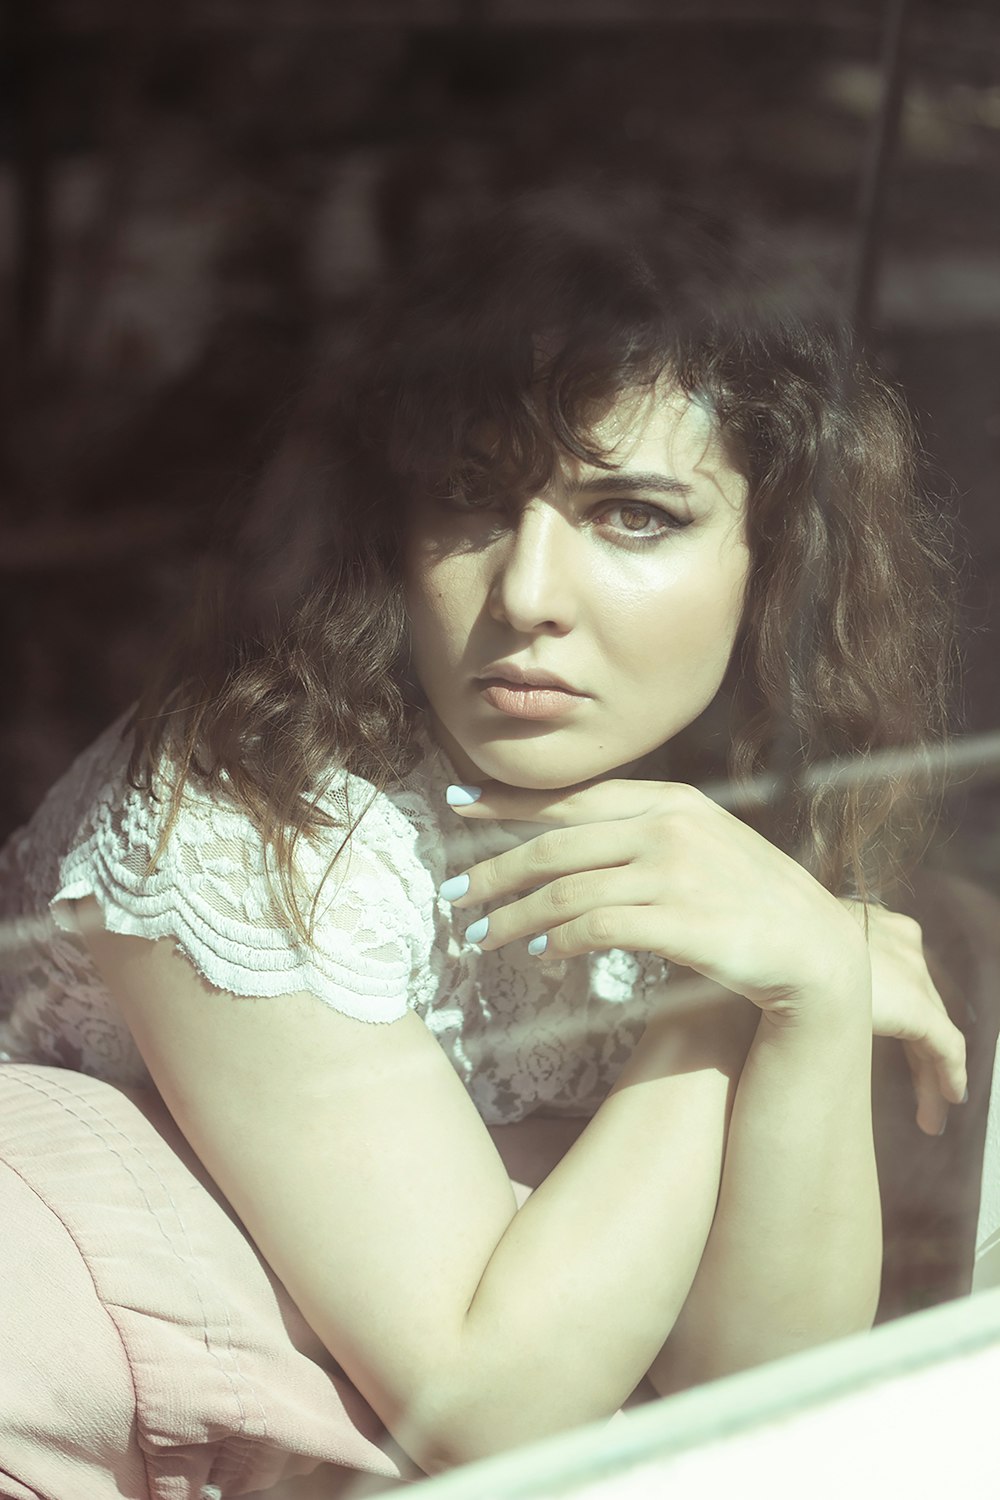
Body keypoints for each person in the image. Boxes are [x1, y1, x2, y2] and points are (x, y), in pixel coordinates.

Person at [0, 190, 967, 1477]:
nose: (524, 596)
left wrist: (796, 972)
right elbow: (486, 1411)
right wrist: (729, 992)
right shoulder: (244, 803)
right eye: (471, 501)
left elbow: (761, 1400)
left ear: (775, 557)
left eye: (633, 515)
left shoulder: (728, 812)